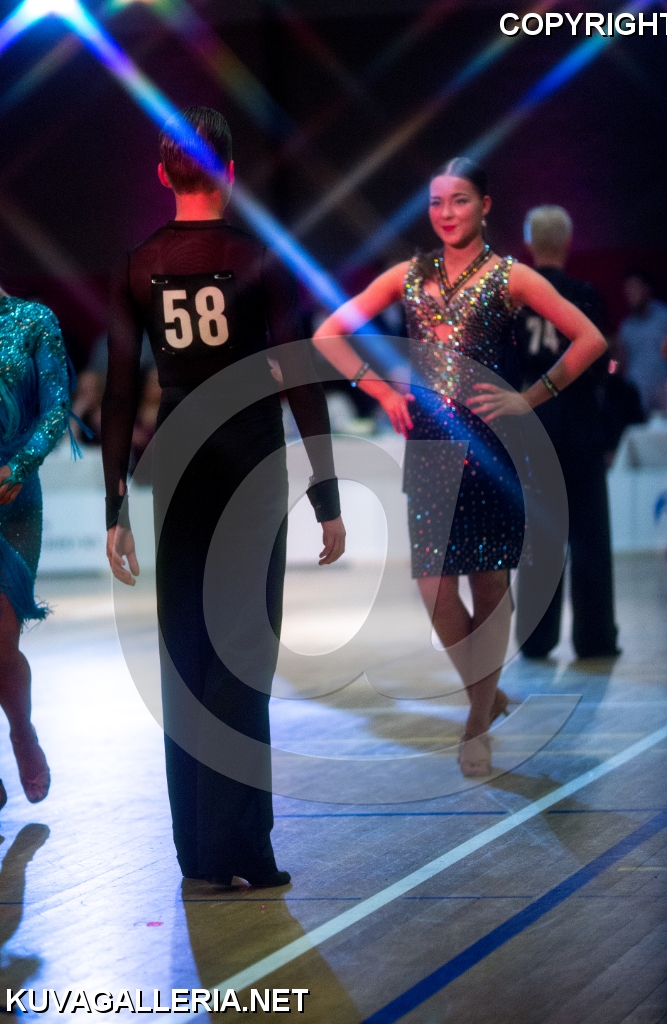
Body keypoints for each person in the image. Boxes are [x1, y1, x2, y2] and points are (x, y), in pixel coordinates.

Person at [101, 107, 345, 887]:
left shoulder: (136, 264)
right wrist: (327, 495)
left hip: (177, 465)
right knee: (243, 654)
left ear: (161, 174)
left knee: (186, 653)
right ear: (230, 173)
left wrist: (113, 508)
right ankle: (244, 850)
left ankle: (199, 855)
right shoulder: (257, 257)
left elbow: (117, 395)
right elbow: (300, 377)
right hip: (246, 462)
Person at [313, 157, 606, 776]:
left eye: (460, 200)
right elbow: (329, 334)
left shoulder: (509, 275)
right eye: (437, 202)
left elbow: (590, 339)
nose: (446, 213)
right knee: (434, 587)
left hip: (492, 447)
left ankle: (476, 722)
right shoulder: (408, 275)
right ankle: (487, 695)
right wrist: (382, 391)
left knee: (489, 584)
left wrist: (529, 398)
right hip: (429, 447)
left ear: (485, 206)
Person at [514, 206, 620, 660]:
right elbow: (603, 367)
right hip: (581, 427)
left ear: (529, 243)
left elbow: (509, 366)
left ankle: (536, 639)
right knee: (590, 537)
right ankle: (595, 639)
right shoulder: (586, 295)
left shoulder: (516, 299)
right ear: (569, 242)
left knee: (541, 538)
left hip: (535, 427)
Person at [0, 286, 70, 805]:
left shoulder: (32, 319)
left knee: (1, 641)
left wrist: (20, 465)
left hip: (13, 496)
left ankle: (21, 731)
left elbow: (57, 407)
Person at [617, 269, 667, 417]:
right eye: (628, 290)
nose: (631, 294)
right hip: (637, 397)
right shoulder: (626, 327)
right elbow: (621, 363)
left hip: (666, 394)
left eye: (635, 288)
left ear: (647, 288)